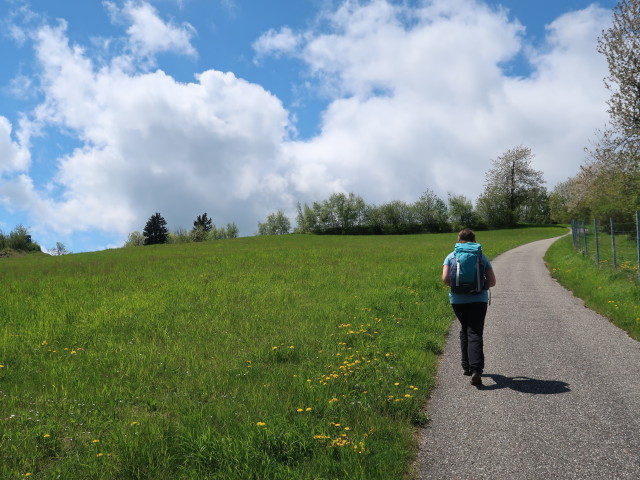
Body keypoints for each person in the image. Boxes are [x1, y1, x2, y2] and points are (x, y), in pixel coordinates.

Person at [442, 229, 496, 386]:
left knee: (465, 328)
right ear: (474, 240)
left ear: (459, 239)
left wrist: (460, 287)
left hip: (458, 301)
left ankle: (466, 366)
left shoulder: (451, 256)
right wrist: (478, 287)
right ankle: (475, 370)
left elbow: (445, 279)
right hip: (478, 300)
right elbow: (492, 282)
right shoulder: (480, 256)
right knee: (475, 332)